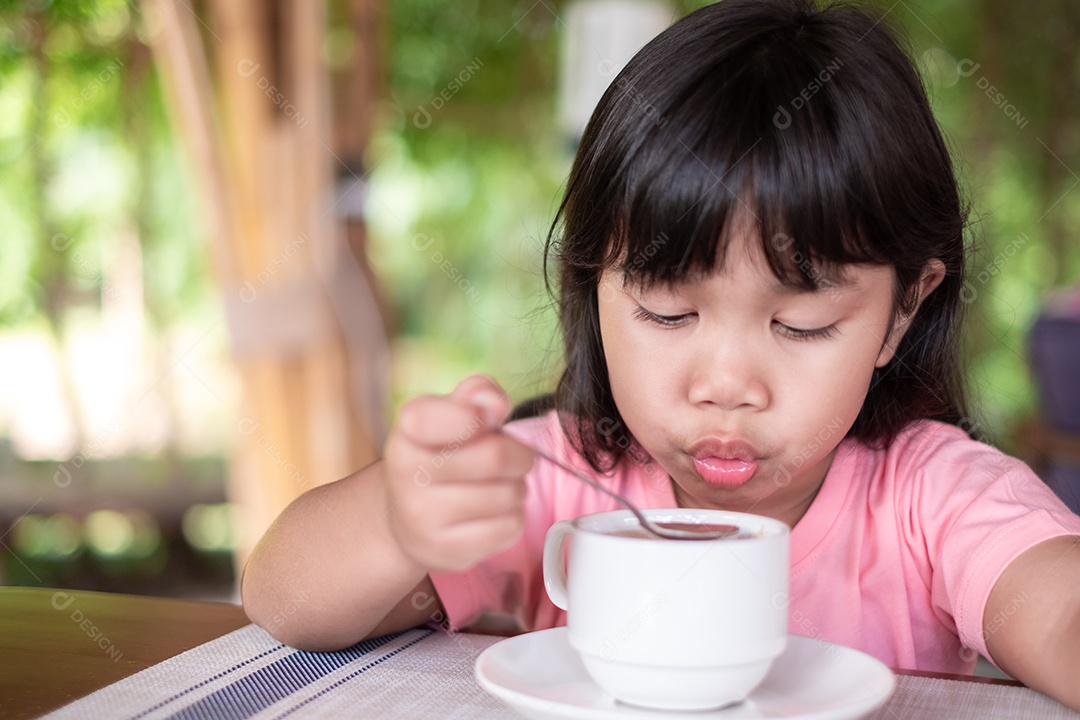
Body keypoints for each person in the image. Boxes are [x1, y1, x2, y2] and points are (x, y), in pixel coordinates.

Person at [242, 0, 1080, 710]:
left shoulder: (935, 502)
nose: (725, 386)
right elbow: (283, 599)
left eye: (801, 325)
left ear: (903, 311)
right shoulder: (557, 480)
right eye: (668, 311)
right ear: (594, 290)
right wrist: (400, 517)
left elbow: (1056, 614)